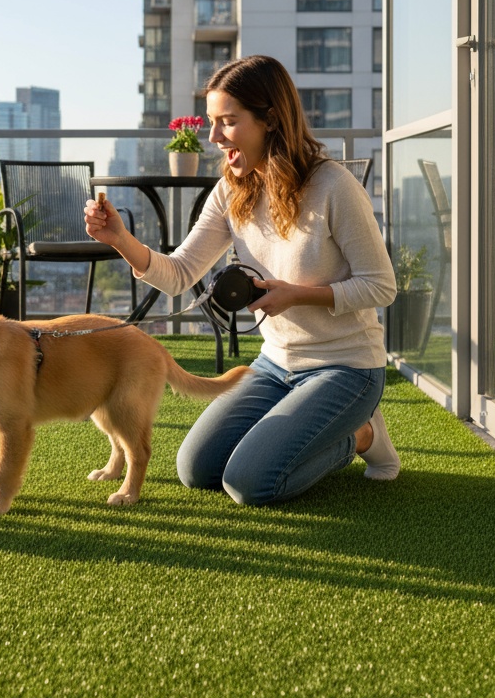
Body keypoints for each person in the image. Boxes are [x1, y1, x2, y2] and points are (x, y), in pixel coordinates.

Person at [84, 55, 400, 506]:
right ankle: (316, 424)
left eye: (227, 122)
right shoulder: (232, 190)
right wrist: (119, 239)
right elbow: (178, 275)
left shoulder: (334, 186)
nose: (213, 137)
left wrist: (298, 296)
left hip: (345, 367)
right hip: (275, 364)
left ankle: (361, 435)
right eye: (213, 122)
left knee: (251, 483)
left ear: (270, 119)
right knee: (197, 469)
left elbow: (381, 285)